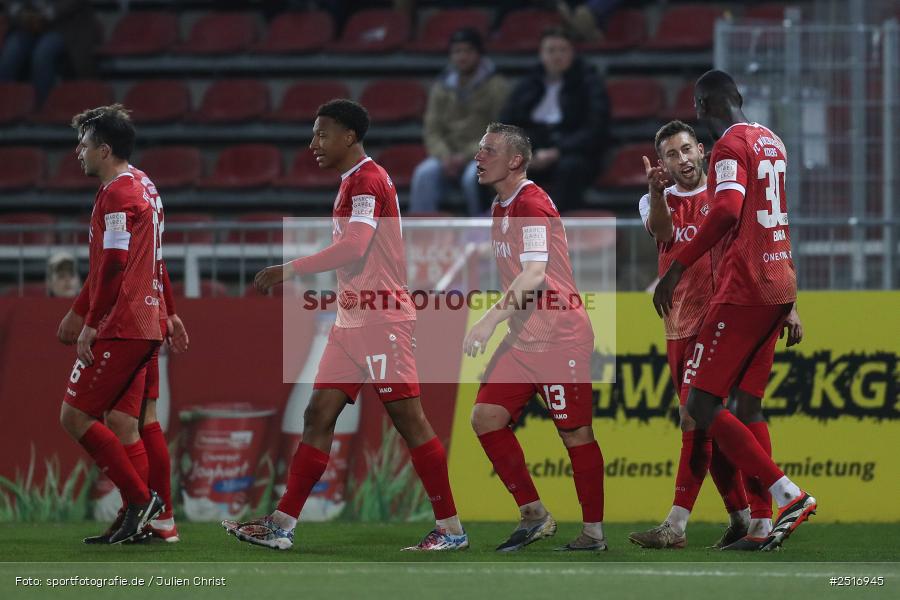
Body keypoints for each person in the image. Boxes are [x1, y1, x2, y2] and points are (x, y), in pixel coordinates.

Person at [225, 99, 467, 552]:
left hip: (381, 320)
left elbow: (355, 247)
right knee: (318, 414)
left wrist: (289, 269)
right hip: (351, 322)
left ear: (349, 136)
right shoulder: (353, 181)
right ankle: (281, 524)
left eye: (322, 134)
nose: (312, 143)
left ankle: (451, 529)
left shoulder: (367, 181)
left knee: (410, 422)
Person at [652, 70, 816, 552]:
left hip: (744, 288)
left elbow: (725, 210)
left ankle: (789, 496)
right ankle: (761, 525)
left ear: (701, 107)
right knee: (747, 405)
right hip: (778, 281)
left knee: (701, 405)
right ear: (738, 97)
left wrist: (677, 267)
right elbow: (776, 217)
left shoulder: (728, 146)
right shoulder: (772, 140)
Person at [464, 122, 605, 551]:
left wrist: (489, 320)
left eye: (489, 150)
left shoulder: (530, 203)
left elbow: (534, 275)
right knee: (486, 417)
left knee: (574, 433)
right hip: (524, 337)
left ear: (515, 161)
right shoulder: (500, 206)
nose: (479, 157)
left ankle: (593, 533)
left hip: (560, 336)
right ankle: (534, 514)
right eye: (479, 149)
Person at [57, 108, 190, 543]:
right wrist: (169, 310)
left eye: (84, 145)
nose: (78, 152)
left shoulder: (119, 194)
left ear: (104, 150)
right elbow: (154, 255)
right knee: (133, 421)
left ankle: (141, 501)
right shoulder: (144, 184)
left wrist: (90, 321)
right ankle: (160, 520)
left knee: (76, 416)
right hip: (146, 316)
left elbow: (114, 262)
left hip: (124, 322)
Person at [499, 27, 609, 212]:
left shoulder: (589, 82)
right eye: (551, 50)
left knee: (570, 168)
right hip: (532, 147)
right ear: (541, 54)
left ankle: (553, 221)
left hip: (573, 151)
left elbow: (595, 128)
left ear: (572, 53)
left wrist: (558, 151)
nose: (557, 56)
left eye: (563, 50)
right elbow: (507, 122)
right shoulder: (529, 83)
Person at [409, 27, 508, 215]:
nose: (462, 57)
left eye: (468, 51)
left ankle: (480, 228)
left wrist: (466, 155)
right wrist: (445, 156)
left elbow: (500, 130)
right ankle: (421, 231)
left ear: (479, 54)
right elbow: (432, 130)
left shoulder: (497, 86)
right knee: (423, 174)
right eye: (457, 51)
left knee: (473, 177)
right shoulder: (441, 87)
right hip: (446, 156)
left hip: (483, 155)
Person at [0, 1, 100, 104]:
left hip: (66, 28)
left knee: (43, 53)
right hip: (26, 26)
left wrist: (46, 12)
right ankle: (4, 105)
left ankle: (43, 106)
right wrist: (20, 13)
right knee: (11, 53)